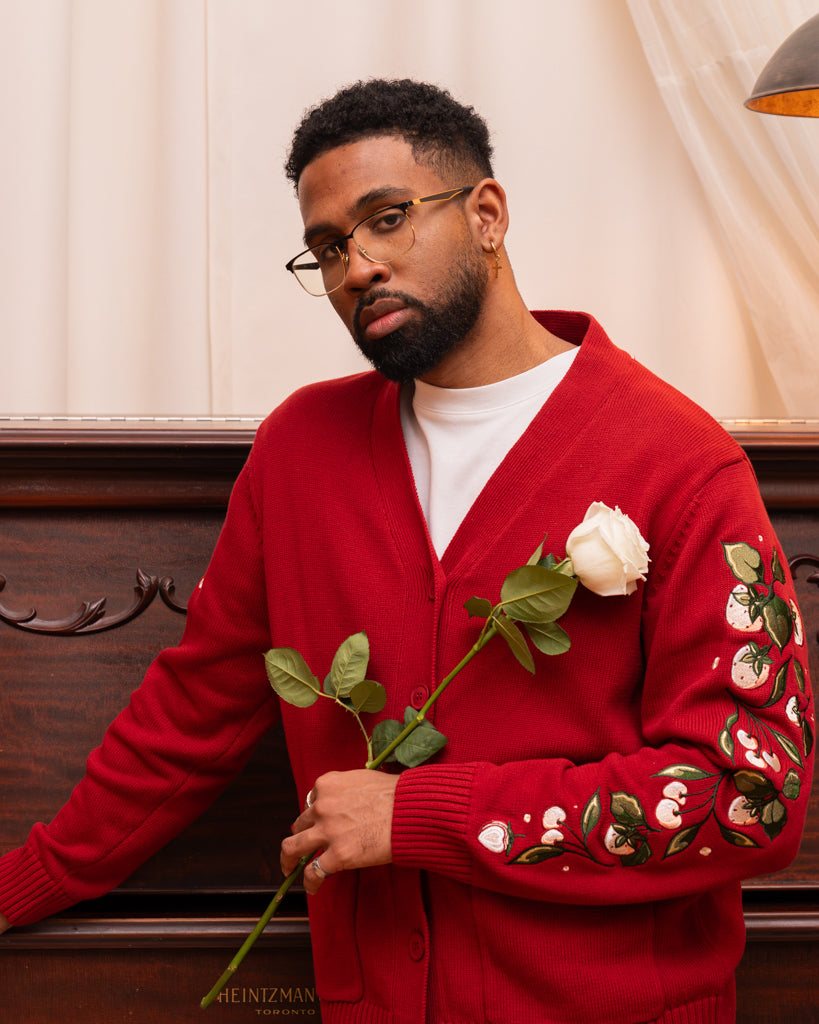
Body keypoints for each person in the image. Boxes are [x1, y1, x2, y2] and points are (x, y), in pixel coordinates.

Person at [0, 79, 814, 1024]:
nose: (356, 267)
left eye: (387, 218)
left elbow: (748, 794)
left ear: (486, 214)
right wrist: (20, 889)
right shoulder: (299, 452)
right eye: (327, 248)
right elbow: (186, 723)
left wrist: (418, 816)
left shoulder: (678, 461)